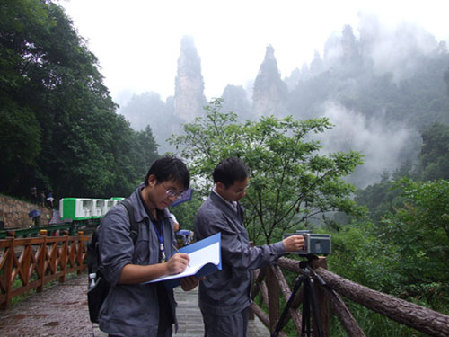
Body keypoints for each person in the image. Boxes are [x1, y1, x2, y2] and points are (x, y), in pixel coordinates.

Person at [194, 157, 305, 337]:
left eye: (245, 188)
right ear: (220, 186)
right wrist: (282, 247)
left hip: (238, 296)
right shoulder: (211, 216)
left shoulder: (232, 204)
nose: (244, 194)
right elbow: (242, 256)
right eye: (239, 190)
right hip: (223, 301)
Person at [98, 155, 199, 337]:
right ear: (152, 180)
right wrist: (166, 268)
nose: (173, 198)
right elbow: (116, 271)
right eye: (170, 191)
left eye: (178, 194)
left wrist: (185, 277)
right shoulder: (119, 217)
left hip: (162, 319)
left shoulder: (166, 219)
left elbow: (167, 261)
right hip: (129, 325)